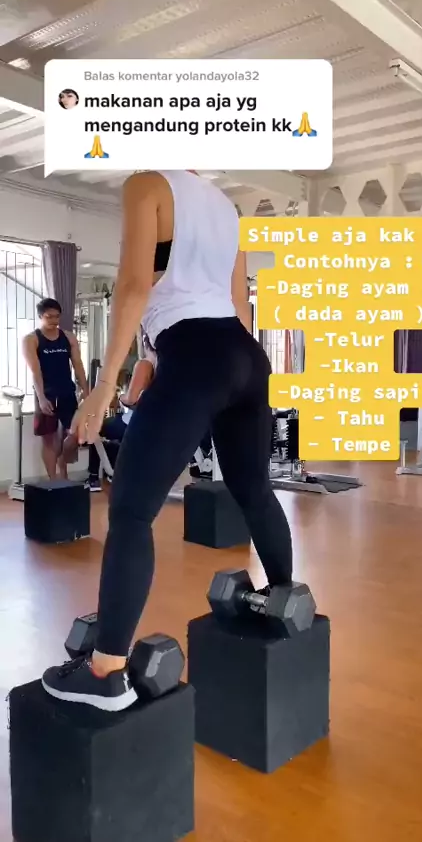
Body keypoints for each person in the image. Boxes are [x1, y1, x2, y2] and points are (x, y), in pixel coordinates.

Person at [42, 170, 293, 712]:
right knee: (254, 489)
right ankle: (284, 599)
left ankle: (105, 673)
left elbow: (134, 287)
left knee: (132, 512)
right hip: (245, 355)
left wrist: (103, 387)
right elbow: (239, 305)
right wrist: (225, 374)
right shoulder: (227, 208)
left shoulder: (147, 185)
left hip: (195, 351)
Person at [23, 298, 89, 480]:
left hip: (67, 392)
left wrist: (86, 390)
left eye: (57, 316)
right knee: (50, 440)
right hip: (47, 394)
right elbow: (35, 371)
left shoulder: (68, 337)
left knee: (73, 435)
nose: (54, 320)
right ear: (40, 317)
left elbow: (78, 365)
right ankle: (54, 481)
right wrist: (41, 398)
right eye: (49, 317)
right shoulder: (31, 339)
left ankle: (64, 475)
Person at [87, 338, 158, 491]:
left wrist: (120, 397)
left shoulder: (145, 364)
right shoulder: (171, 366)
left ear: (146, 344)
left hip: (135, 424)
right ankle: (115, 469)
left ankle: (93, 478)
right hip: (159, 427)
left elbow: (131, 400)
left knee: (97, 427)